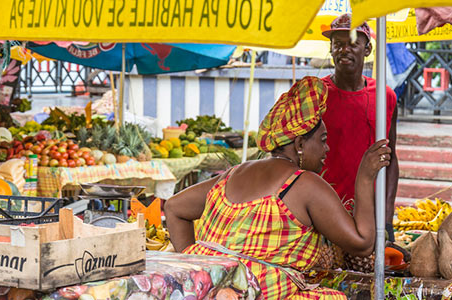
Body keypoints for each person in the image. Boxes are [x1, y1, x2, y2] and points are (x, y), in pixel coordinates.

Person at [165, 77, 392, 299]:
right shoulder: (304, 183)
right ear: (300, 144)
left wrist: (196, 270)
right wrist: (364, 177)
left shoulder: (234, 173)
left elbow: (174, 207)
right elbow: (362, 243)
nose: (327, 149)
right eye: (322, 140)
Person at [319, 14, 400, 243]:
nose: (344, 50)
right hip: (322, 212)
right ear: (331, 49)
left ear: (367, 49)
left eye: (353, 43)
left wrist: (386, 217)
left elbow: (391, 158)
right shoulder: (316, 95)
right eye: (338, 44)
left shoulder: (386, 98)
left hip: (369, 215)